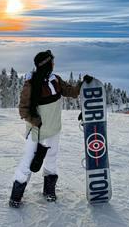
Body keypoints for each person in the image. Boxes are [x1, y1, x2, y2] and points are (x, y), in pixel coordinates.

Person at [9, 50, 93, 207]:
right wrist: (35, 120)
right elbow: (23, 109)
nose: (54, 64)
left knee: (52, 158)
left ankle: (49, 191)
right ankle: (16, 196)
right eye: (52, 62)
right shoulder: (31, 83)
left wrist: (83, 84)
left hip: (54, 128)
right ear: (47, 64)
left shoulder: (56, 80)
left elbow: (72, 92)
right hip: (37, 131)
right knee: (28, 162)